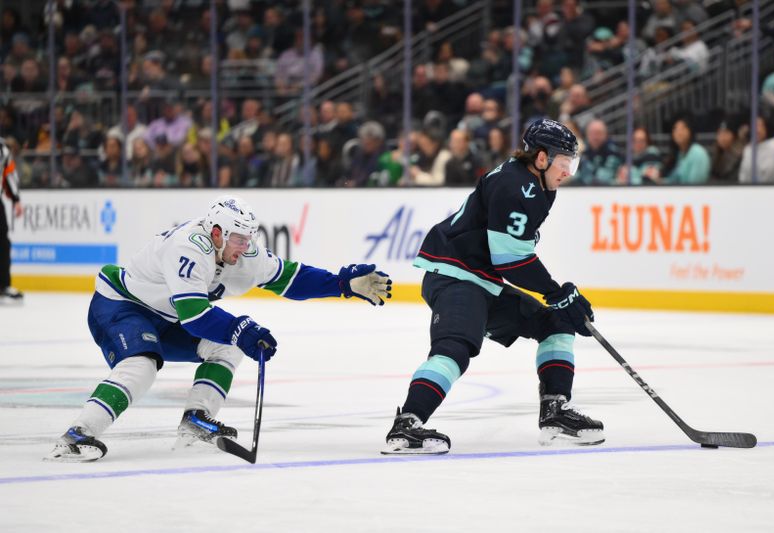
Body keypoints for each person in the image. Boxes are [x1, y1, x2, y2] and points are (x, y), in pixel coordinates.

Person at [46, 195, 392, 462]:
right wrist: (240, 326)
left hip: (168, 317)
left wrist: (343, 285)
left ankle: (196, 420)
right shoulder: (187, 247)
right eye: (239, 239)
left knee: (226, 348)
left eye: (248, 238)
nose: (246, 247)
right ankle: (77, 435)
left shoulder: (242, 249)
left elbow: (290, 278)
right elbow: (196, 315)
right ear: (216, 233)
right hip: (122, 305)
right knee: (142, 364)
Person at [382, 119, 603, 455]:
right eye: (564, 163)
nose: (569, 172)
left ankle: (554, 414)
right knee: (456, 347)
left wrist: (557, 299)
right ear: (541, 158)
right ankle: (407, 424)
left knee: (556, 324)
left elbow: (512, 256)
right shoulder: (517, 186)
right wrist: (556, 292)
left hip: (484, 280)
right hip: (455, 273)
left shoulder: (539, 186)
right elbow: (510, 260)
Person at [0, 137, 23, 303]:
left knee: (2, 243)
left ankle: (3, 286)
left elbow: (8, 172)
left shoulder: (1, 147)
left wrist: (15, 199)